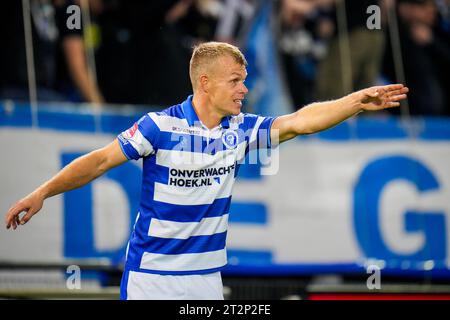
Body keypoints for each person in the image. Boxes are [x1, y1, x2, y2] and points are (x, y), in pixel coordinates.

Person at [4, 41, 408, 300]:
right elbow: (98, 161)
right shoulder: (158, 127)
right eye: (235, 81)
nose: (243, 90)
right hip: (151, 278)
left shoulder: (242, 130)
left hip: (205, 281)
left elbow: (301, 120)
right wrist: (42, 192)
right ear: (204, 82)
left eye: (244, 81)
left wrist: (356, 101)